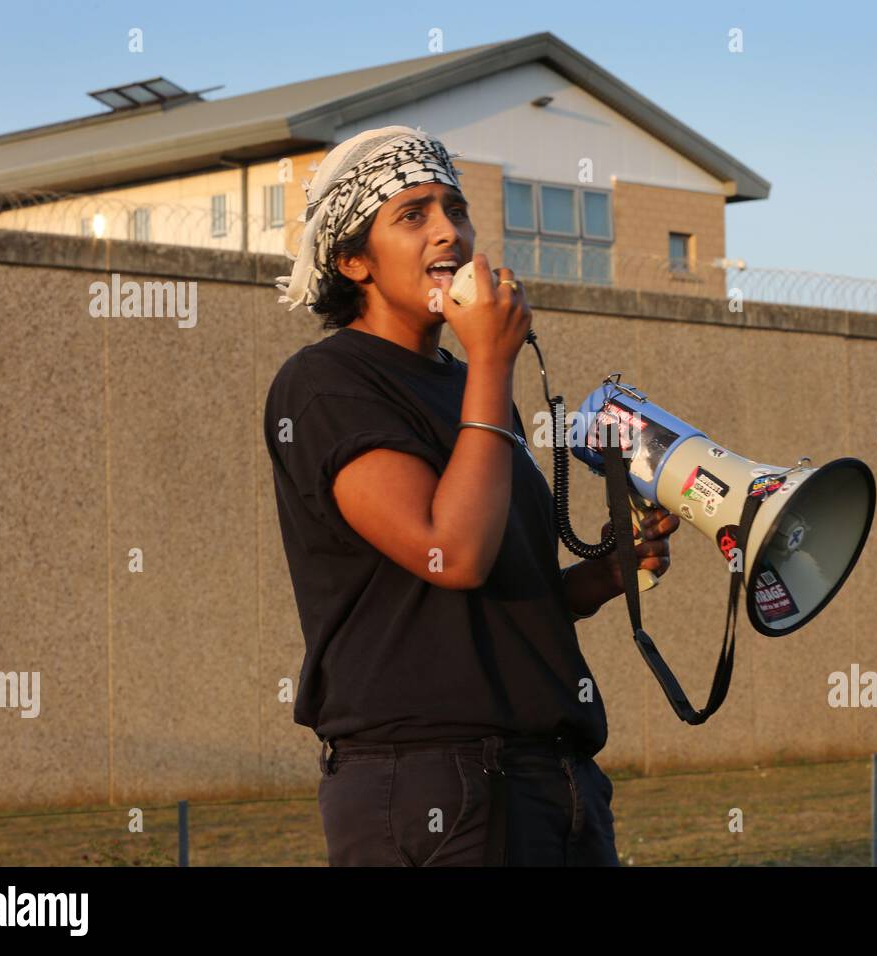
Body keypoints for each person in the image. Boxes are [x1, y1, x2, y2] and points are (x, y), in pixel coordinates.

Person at [264, 126, 680, 866]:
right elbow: (449, 552)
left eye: (456, 210)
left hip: (552, 778)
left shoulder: (473, 387)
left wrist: (600, 577)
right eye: (413, 214)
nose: (449, 232)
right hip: (433, 781)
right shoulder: (326, 383)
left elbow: (488, 592)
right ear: (352, 259)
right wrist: (492, 359)